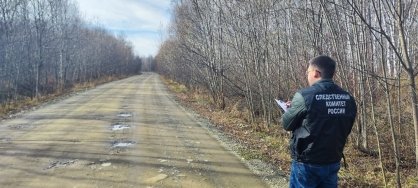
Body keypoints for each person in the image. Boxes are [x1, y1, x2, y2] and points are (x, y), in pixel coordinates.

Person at [282, 55, 357, 188]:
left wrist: (289, 110)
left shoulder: (304, 96)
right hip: (332, 160)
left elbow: (287, 124)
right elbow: (346, 128)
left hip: (307, 163)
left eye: (308, 72)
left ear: (316, 73)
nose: (307, 75)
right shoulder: (348, 98)